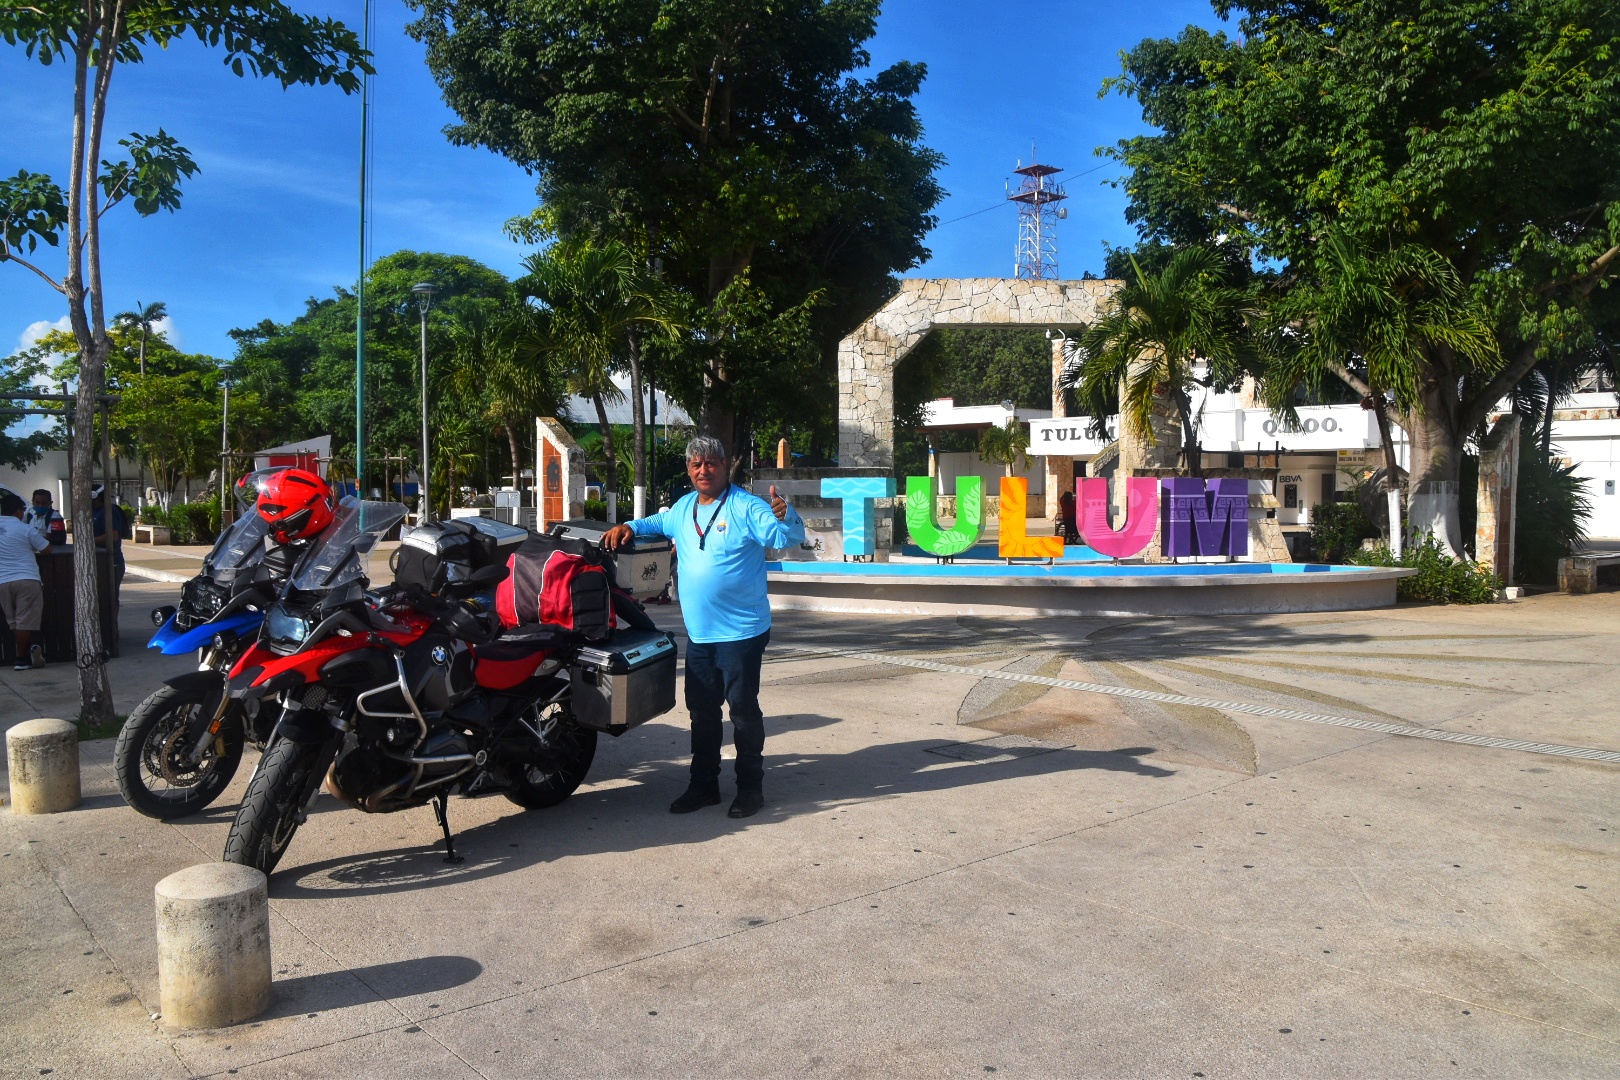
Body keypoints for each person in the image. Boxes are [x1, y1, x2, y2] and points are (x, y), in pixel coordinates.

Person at [602, 436, 804, 819]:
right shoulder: (683, 507)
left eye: (710, 463)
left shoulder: (746, 506)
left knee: (743, 712)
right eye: (696, 464)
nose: (703, 470)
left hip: (742, 634)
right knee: (703, 713)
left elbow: (785, 537)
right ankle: (704, 785)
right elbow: (656, 523)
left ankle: (750, 789)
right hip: (700, 636)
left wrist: (785, 513)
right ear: (689, 469)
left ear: (725, 464)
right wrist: (628, 525)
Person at [0, 491, 51, 671]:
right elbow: (46, 549)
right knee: (25, 620)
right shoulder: (25, 528)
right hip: (27, 578)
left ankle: (29, 648)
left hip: (3, 581)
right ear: (18, 511)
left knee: (14, 621)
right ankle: (21, 659)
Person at [90, 484, 127, 594]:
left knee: (110, 597)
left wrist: (90, 541)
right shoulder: (94, 511)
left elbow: (113, 536)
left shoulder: (108, 512)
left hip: (111, 561)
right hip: (98, 561)